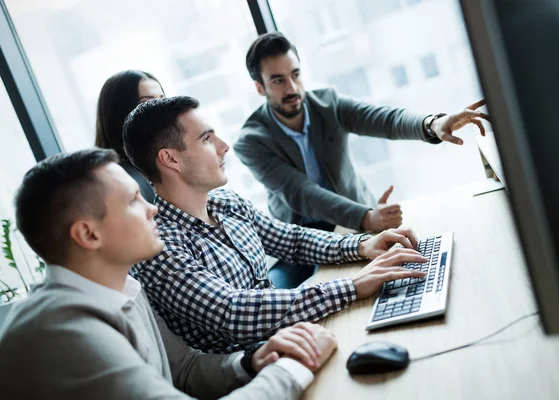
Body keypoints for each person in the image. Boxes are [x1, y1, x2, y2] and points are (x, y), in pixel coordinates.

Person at [0, 148, 338, 399]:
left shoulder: (123, 287)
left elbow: (183, 369)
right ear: (89, 235)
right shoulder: (62, 331)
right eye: (134, 201)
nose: (153, 209)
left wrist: (252, 361)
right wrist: (295, 365)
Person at [122, 96, 428, 355]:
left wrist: (361, 245)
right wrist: (351, 287)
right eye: (206, 138)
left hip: (293, 341)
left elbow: (290, 240)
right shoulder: (159, 245)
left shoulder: (225, 202)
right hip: (258, 376)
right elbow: (234, 312)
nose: (224, 146)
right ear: (170, 159)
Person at [234, 32, 489, 233]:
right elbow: (300, 192)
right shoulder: (251, 142)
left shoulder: (328, 104)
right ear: (260, 87)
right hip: (303, 235)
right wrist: (366, 218)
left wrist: (432, 123)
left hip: (355, 221)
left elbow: (386, 119)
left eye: (296, 74)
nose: (292, 88)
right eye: (278, 80)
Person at [95, 70, 166, 202]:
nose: (162, 109)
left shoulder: (162, 159)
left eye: (162, 99)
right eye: (147, 103)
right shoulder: (119, 178)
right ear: (120, 113)